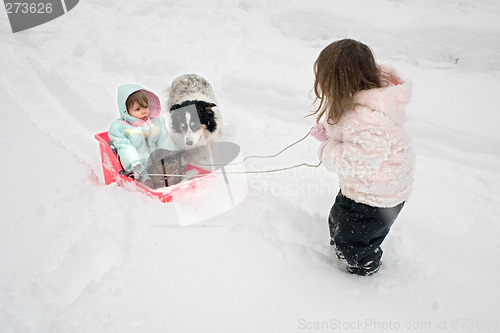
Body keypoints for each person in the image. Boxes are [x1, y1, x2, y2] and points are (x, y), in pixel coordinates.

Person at [310, 39, 416, 276]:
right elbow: (357, 138)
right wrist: (331, 133)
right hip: (363, 187)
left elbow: (356, 162)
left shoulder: (367, 118)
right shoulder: (362, 99)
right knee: (338, 220)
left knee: (355, 244)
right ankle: (342, 245)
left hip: (379, 196)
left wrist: (327, 148)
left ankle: (364, 269)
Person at [109, 84, 180, 187]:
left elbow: (164, 138)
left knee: (171, 173)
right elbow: (124, 146)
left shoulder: (156, 122)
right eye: (137, 109)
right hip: (140, 164)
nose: (143, 111)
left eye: (145, 107)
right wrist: (133, 163)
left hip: (158, 162)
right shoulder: (121, 127)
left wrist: (172, 154)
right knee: (145, 178)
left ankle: (173, 179)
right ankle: (146, 182)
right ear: (126, 111)